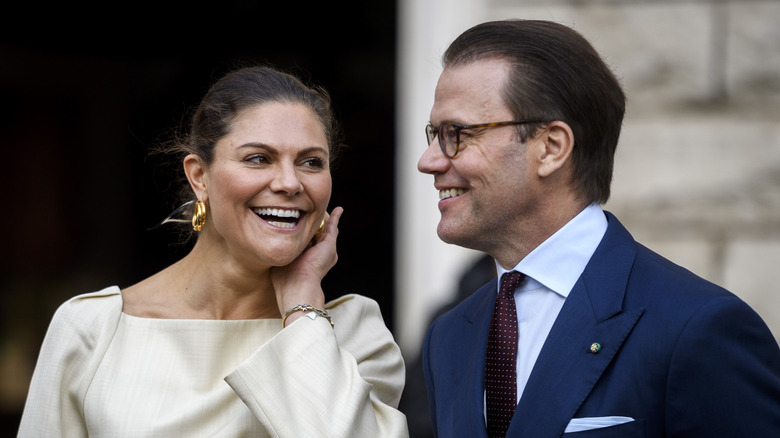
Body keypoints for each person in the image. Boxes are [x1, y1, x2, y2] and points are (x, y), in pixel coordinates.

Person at [417, 19, 780, 437]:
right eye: (434, 134)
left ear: (551, 148)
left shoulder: (697, 328)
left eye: (456, 134)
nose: (429, 161)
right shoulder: (448, 337)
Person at [18, 66, 409, 437]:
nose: (290, 183)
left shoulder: (353, 333)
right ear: (199, 177)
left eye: (311, 162)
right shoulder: (93, 329)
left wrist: (302, 308)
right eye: (259, 158)